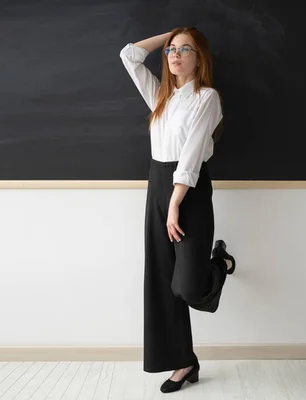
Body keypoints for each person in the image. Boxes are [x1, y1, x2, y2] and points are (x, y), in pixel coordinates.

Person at [119, 27, 237, 394]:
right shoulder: (160, 96)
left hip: (189, 189)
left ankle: (222, 263)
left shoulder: (207, 98)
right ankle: (183, 361)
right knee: (161, 281)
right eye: (171, 49)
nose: (175, 54)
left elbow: (190, 159)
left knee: (187, 286)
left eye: (185, 49)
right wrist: (167, 34)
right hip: (158, 182)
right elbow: (129, 56)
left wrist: (174, 205)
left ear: (199, 57)